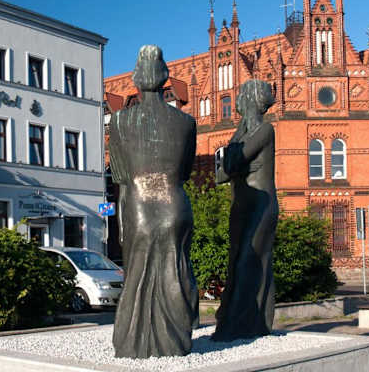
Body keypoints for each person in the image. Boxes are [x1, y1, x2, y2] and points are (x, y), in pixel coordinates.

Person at [109, 45, 198, 358]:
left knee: (137, 277)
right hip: (175, 202)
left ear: (136, 78)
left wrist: (121, 226)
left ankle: (134, 343)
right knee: (176, 272)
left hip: (139, 205)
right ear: (165, 76)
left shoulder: (119, 121)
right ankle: (176, 341)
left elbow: (121, 178)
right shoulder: (186, 123)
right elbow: (185, 172)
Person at [212, 79, 279, 341]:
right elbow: (221, 174)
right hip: (241, 206)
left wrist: (235, 165)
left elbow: (231, 163)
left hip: (261, 206)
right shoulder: (240, 134)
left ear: (251, 99)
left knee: (249, 263)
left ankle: (242, 325)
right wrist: (237, 165)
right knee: (236, 263)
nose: (236, 99)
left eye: (241, 95)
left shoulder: (265, 130)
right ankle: (238, 322)